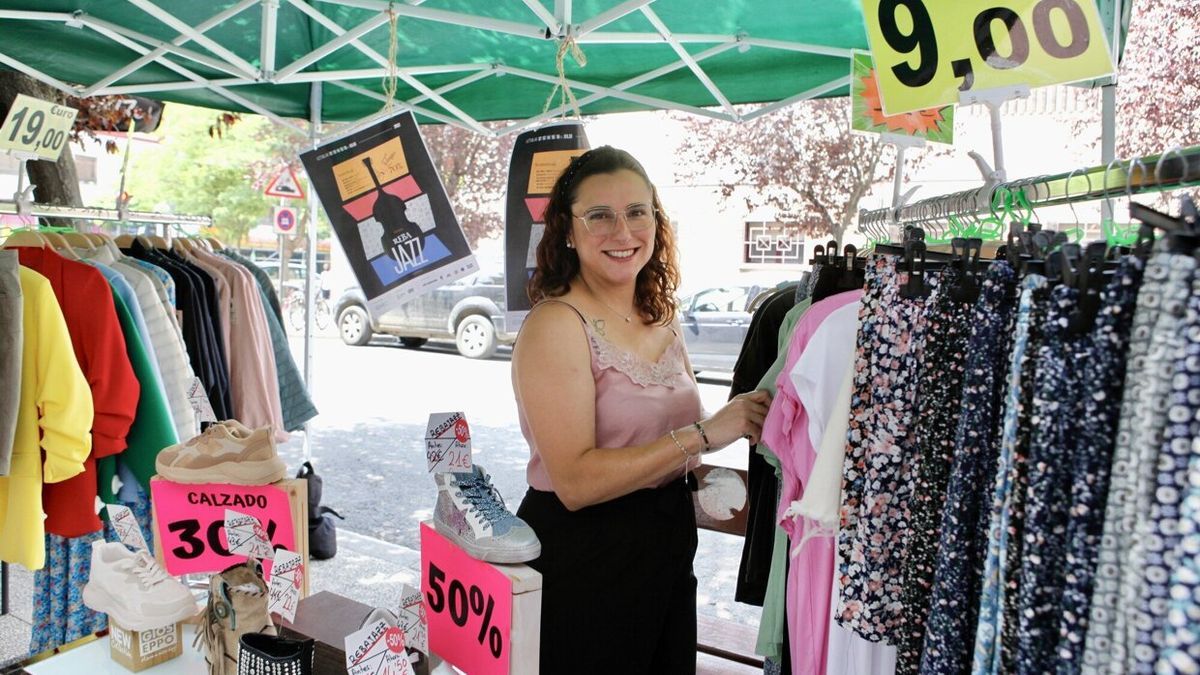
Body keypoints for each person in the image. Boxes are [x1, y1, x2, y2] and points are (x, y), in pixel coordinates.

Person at [512, 146, 772, 673]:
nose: (622, 231)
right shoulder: (556, 325)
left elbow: (658, 435)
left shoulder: (661, 317)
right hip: (584, 556)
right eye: (599, 215)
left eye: (637, 212)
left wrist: (700, 476)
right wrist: (704, 436)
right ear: (567, 229)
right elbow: (576, 483)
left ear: (657, 221)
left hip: (666, 546)